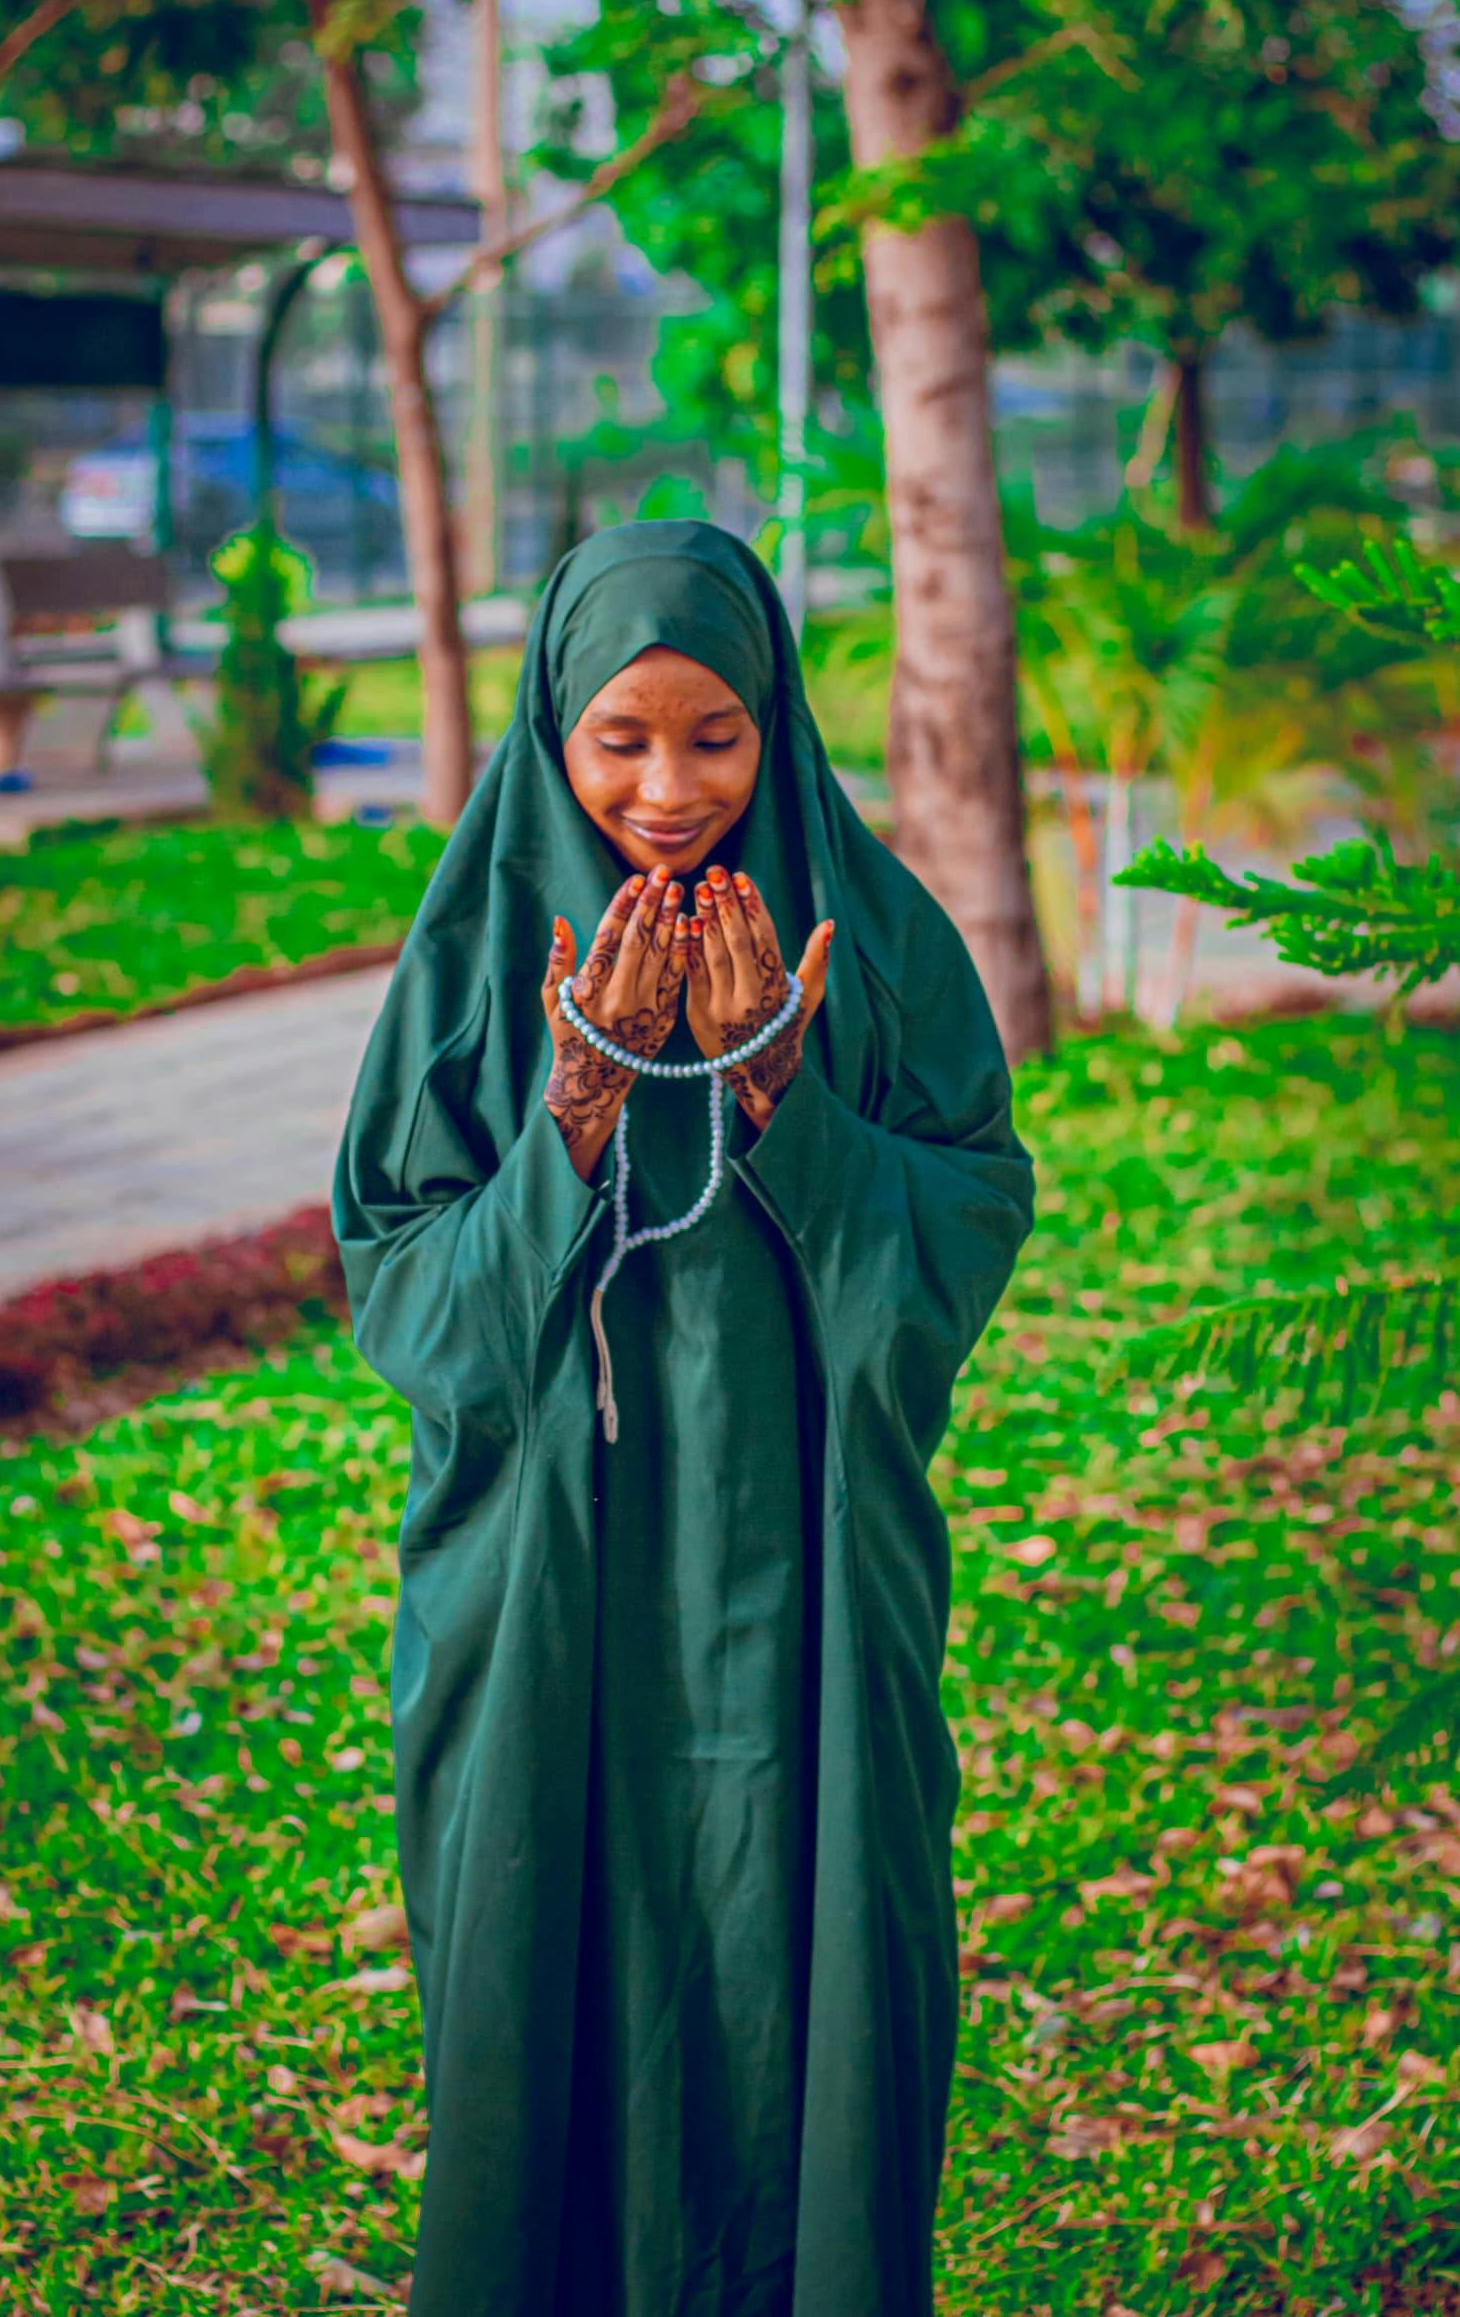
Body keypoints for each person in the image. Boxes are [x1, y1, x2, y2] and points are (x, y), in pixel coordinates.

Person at [332, 519, 1037, 2317]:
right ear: (552, 727)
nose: (667, 788)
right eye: (619, 738)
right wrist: (571, 1105)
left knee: (811, 1944)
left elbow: (964, 1210)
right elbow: (403, 1285)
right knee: (535, 1958)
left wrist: (788, 1092)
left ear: (779, 721)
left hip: (804, 1552)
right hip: (539, 1581)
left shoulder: (870, 944)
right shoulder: (482, 959)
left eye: (714, 735)